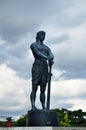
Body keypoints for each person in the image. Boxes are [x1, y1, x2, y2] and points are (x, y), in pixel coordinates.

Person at [30, 31, 54, 110]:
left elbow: (51, 55)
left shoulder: (46, 47)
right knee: (34, 87)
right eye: (42, 35)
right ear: (38, 36)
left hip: (45, 67)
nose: (43, 36)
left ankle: (44, 106)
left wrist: (51, 59)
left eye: (44, 35)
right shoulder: (34, 45)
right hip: (37, 66)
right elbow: (37, 53)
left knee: (43, 89)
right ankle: (33, 105)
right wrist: (47, 58)